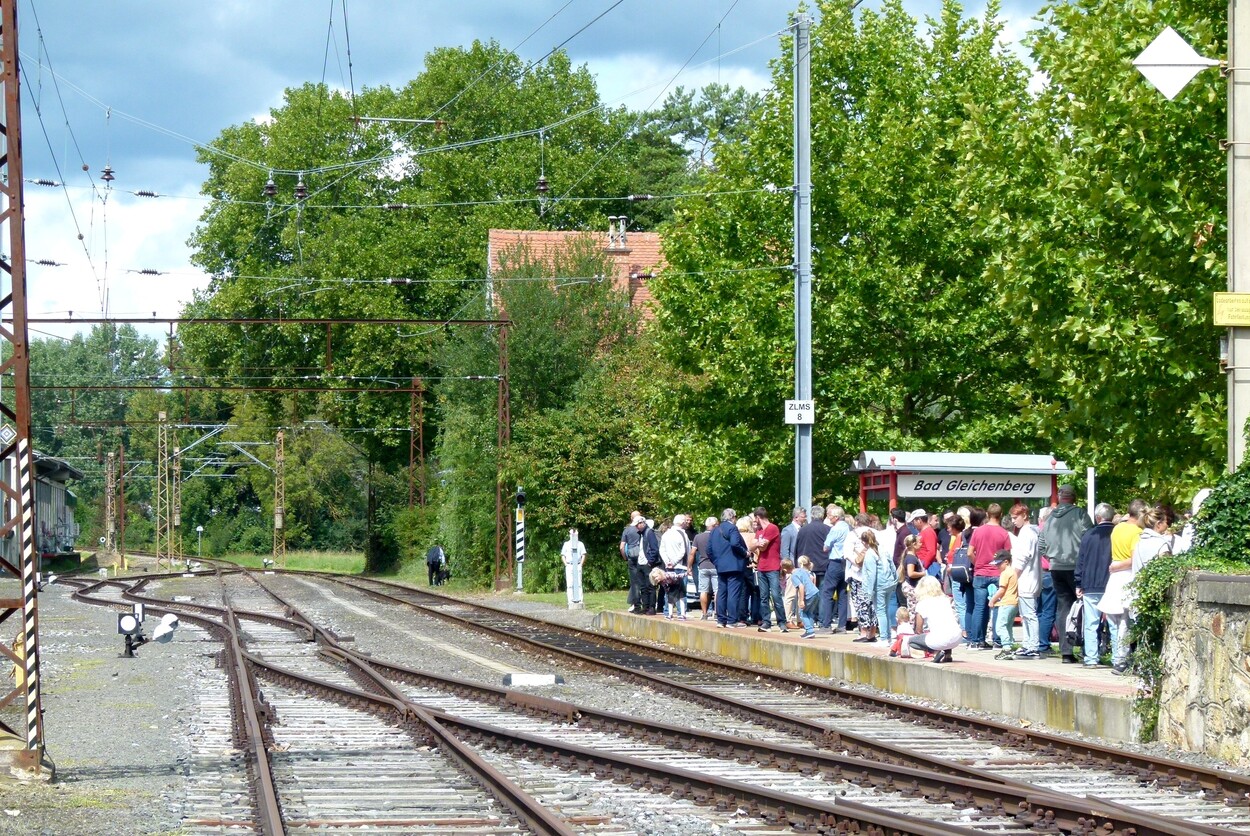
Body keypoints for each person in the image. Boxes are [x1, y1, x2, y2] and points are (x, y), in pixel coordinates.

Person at [1103, 504, 1176, 674]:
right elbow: (1167, 569)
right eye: (1166, 522)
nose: (1168, 526)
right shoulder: (1160, 544)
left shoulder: (1134, 537)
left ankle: (1122, 661)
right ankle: (1146, 665)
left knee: (1125, 626)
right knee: (1147, 630)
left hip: (1132, 589)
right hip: (1150, 593)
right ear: (1158, 524)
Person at [1037, 485, 1092, 663]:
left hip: (1056, 567)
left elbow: (1041, 546)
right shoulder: (1080, 514)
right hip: (1076, 566)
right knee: (1084, 605)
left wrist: (1053, 558)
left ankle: (1066, 651)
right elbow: (1089, 538)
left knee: (1063, 607)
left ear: (1060, 498)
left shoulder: (1049, 518)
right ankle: (1086, 648)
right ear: (1074, 497)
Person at [1074, 502, 1116, 667]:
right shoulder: (1116, 533)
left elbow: (1081, 560)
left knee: (1091, 623)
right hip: (1111, 583)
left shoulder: (1089, 535)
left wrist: (1078, 582)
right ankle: (1118, 658)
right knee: (1114, 623)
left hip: (1090, 583)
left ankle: (1091, 658)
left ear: (1098, 518)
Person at [967, 503, 1013, 649]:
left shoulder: (978, 531)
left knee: (979, 607)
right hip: (997, 573)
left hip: (980, 573)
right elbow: (1007, 556)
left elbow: (969, 553)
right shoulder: (1003, 533)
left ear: (987, 514)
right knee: (999, 606)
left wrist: (978, 563)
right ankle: (997, 640)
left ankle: (976, 641)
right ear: (1001, 515)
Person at [1008, 504, 1042, 660]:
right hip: (1030, 578)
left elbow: (1022, 558)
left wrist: (1012, 577)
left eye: (1016, 518)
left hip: (1026, 579)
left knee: (1029, 614)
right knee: (1026, 614)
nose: (1013, 521)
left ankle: (1033, 645)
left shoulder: (1026, 533)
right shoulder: (1033, 531)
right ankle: (1028, 643)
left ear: (1025, 515)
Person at [909, 575, 962, 663]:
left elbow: (918, 630)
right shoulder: (946, 600)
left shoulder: (922, 604)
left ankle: (936, 652)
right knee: (947, 630)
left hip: (940, 640)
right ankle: (948, 655)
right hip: (956, 637)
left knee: (912, 642)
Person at [710, 508, 749, 627]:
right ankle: (732, 620)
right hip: (734, 565)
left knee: (721, 592)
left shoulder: (715, 530)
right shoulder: (732, 528)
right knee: (733, 592)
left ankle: (721, 620)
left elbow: (708, 550)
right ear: (732, 517)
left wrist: (716, 562)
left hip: (720, 566)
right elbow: (734, 543)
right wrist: (745, 553)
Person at [753, 507, 787, 632]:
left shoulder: (772, 528)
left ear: (757, 517)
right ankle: (766, 622)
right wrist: (757, 544)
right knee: (763, 596)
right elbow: (752, 546)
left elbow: (762, 547)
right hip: (761, 566)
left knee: (776, 595)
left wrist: (757, 544)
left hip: (773, 566)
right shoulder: (759, 531)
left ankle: (782, 622)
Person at [818, 505, 851, 633]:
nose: (828, 518)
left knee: (827, 592)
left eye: (830, 516)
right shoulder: (848, 527)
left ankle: (826, 624)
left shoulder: (835, 529)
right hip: (846, 563)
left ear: (836, 517)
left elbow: (825, 547)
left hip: (835, 562)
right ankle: (842, 625)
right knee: (842, 593)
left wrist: (829, 546)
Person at [850, 529, 880, 642]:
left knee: (864, 607)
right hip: (874, 584)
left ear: (864, 541)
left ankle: (866, 633)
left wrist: (870, 589)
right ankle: (871, 633)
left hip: (866, 583)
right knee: (873, 609)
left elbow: (858, 562)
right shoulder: (877, 549)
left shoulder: (868, 551)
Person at [659, 515, 691, 619]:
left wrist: (667, 561)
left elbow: (662, 550)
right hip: (681, 566)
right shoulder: (683, 534)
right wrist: (674, 562)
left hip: (669, 567)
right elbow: (685, 551)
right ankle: (681, 613)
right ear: (682, 523)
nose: (687, 523)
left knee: (669, 590)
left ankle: (668, 612)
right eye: (685, 521)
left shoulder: (666, 534)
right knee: (681, 591)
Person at [987, 550, 1018, 655]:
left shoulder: (1005, 573)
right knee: (1008, 626)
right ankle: (1009, 644)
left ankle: (1006, 648)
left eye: (999, 564)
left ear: (1006, 562)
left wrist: (992, 600)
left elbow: (1001, 590)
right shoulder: (1013, 572)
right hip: (1014, 603)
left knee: (1000, 626)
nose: (997, 566)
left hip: (1006, 603)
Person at [782, 556, 820, 638]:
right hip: (816, 592)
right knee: (809, 612)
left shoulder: (793, 576)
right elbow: (811, 577)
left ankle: (809, 631)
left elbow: (801, 586)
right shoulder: (801, 570)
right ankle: (810, 629)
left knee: (802, 612)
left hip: (809, 595)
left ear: (785, 569)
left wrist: (801, 600)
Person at [691, 516, 718, 620]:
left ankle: (704, 613)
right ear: (715, 525)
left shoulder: (698, 537)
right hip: (715, 565)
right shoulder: (718, 536)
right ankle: (716, 612)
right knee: (717, 590)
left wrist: (689, 566)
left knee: (703, 590)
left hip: (703, 565)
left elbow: (692, 553)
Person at [621, 512, 646, 613]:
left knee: (635, 582)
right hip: (643, 557)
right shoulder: (644, 528)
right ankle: (647, 605)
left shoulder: (627, 530)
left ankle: (636, 606)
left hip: (632, 557)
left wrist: (625, 557)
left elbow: (622, 547)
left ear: (631, 518)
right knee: (644, 581)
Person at [897, 534, 925, 614]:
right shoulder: (911, 558)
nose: (921, 544)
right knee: (913, 610)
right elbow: (911, 573)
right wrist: (923, 574)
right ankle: (913, 625)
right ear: (913, 544)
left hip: (911, 586)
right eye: (919, 542)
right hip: (911, 587)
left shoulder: (912, 556)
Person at [560, 528, 586, 609]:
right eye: (572, 534)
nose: (573, 536)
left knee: (579, 583)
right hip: (569, 565)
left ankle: (580, 600)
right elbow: (563, 555)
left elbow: (583, 554)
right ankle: (570, 601)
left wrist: (581, 564)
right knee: (570, 584)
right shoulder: (566, 544)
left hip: (577, 565)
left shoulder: (580, 544)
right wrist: (566, 564)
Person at [642, 518, 662, 614]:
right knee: (644, 586)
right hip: (641, 563)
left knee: (651, 585)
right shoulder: (642, 533)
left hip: (648, 563)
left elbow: (654, 548)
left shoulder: (649, 533)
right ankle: (645, 606)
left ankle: (651, 607)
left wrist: (650, 561)